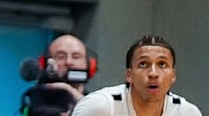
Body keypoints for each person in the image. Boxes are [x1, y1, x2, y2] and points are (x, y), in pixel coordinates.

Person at [71, 35, 202, 116]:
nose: (153, 73)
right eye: (143, 64)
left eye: (162, 64)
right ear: (129, 75)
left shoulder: (187, 112)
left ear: (173, 75)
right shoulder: (100, 107)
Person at [21, 34, 95, 115]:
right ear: (45, 63)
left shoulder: (99, 103)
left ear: (89, 64)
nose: (69, 62)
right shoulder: (36, 100)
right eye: (61, 57)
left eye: (76, 57)